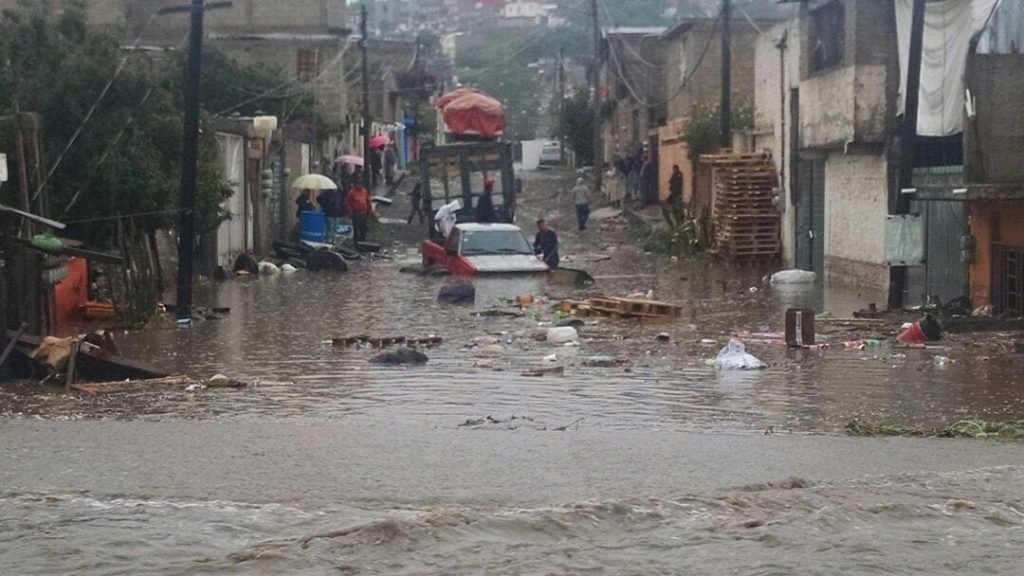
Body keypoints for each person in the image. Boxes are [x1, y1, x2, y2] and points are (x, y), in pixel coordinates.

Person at [346, 177, 372, 244]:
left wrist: (370, 209)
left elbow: (368, 201)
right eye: (358, 183)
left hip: (364, 213)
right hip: (356, 213)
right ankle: (356, 241)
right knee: (356, 228)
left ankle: (363, 240)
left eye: (360, 183)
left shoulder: (364, 191)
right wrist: (350, 213)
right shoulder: (351, 193)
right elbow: (349, 204)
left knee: (363, 227)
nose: (359, 185)